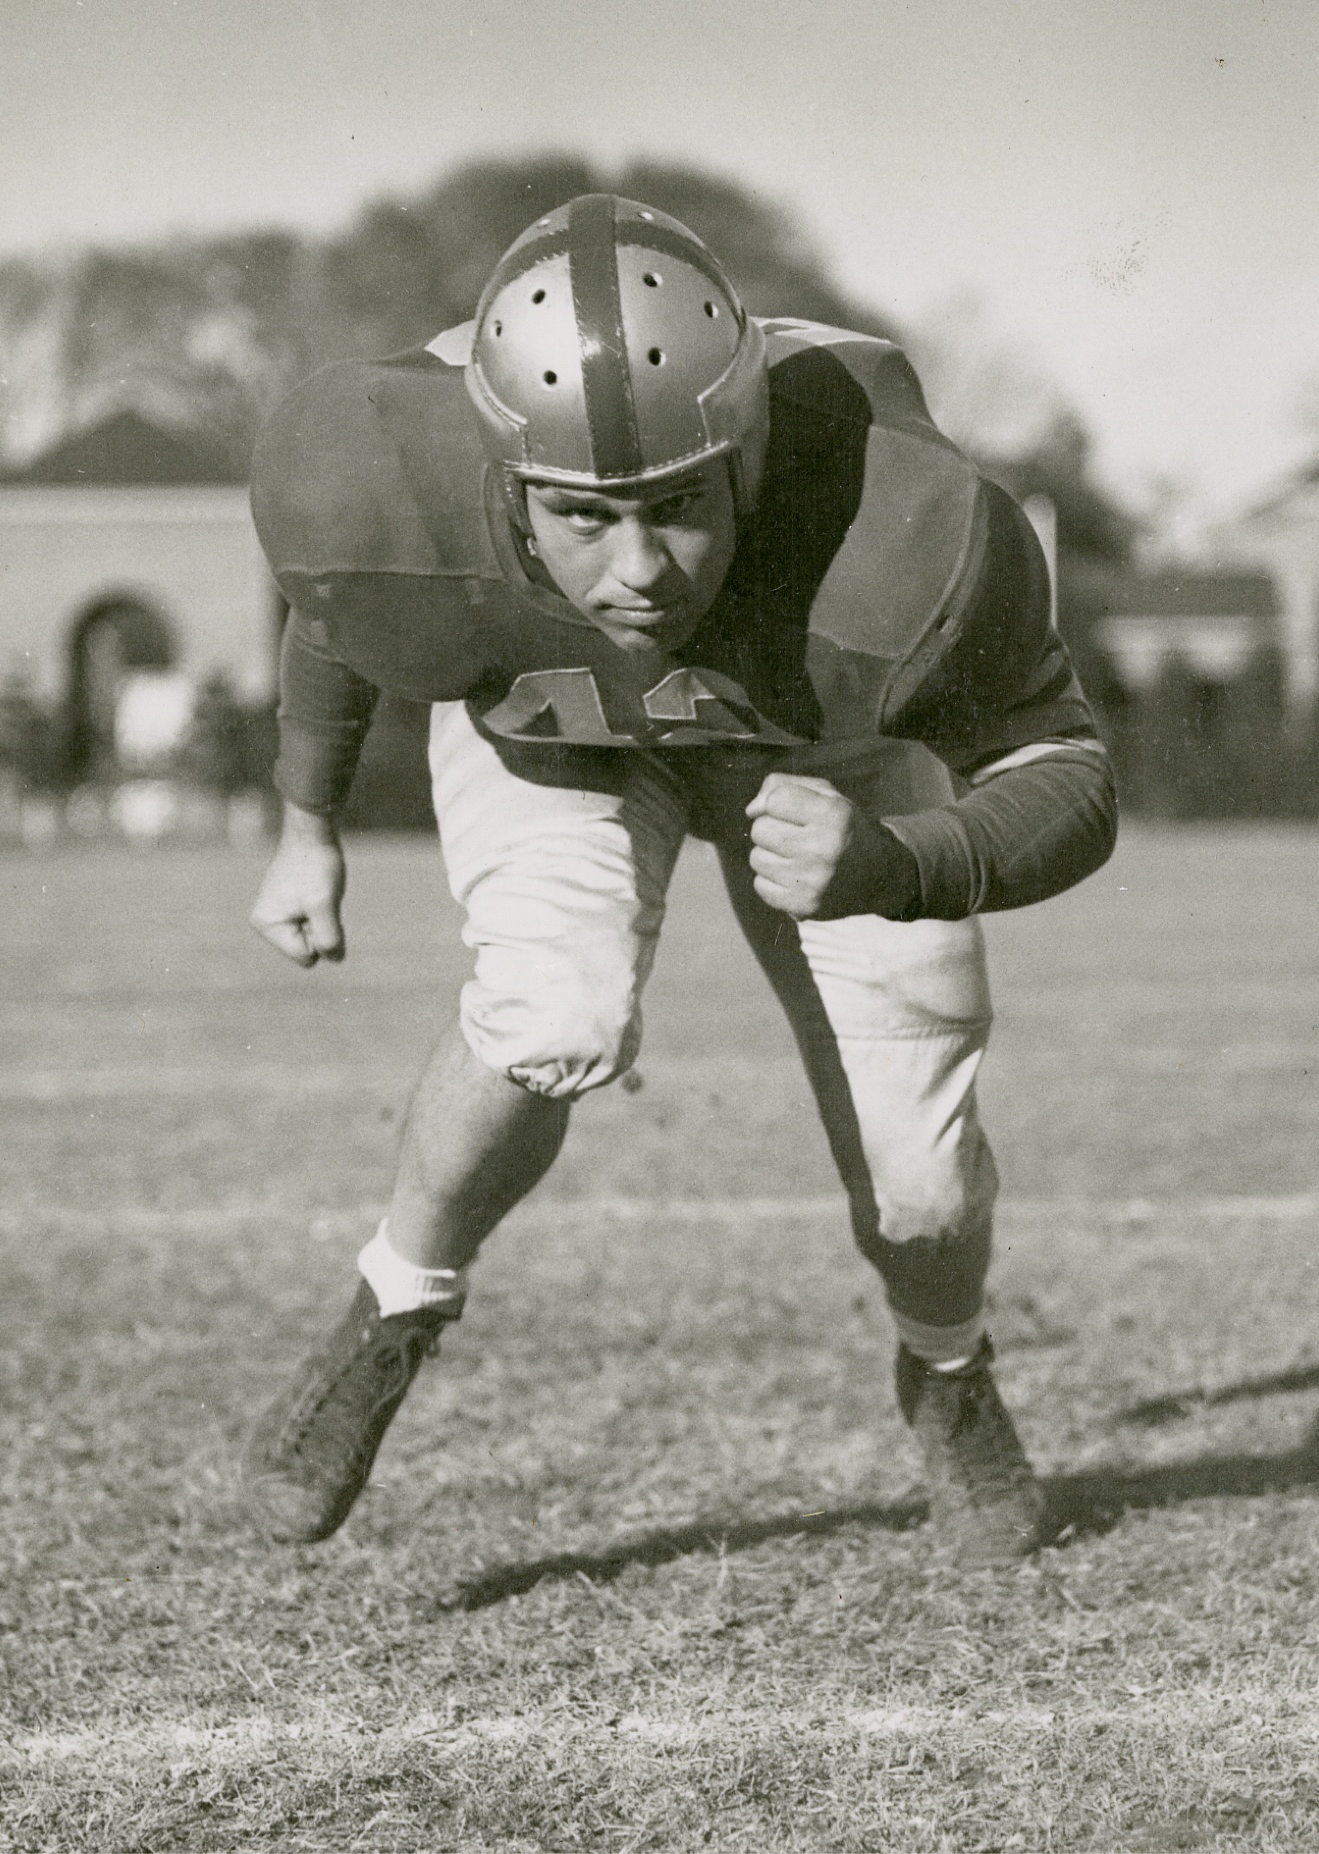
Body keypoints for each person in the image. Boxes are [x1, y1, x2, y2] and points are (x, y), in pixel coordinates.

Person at [240, 195, 1117, 1564]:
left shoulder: (895, 521)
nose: (639, 570)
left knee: (925, 1187)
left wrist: (900, 858)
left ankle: (945, 1368)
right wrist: (307, 818)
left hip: (825, 750)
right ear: (500, 475)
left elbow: (1072, 772)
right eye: (584, 517)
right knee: (552, 1012)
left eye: (681, 507)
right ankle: (396, 1300)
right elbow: (354, 595)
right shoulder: (397, 476)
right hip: (569, 731)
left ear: (752, 451)